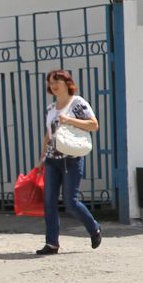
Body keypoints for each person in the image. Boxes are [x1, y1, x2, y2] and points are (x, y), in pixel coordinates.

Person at [38, 69, 102, 255]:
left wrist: (69, 120)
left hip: (71, 160)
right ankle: (52, 243)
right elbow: (48, 135)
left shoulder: (77, 103)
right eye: (51, 82)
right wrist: (41, 158)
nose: (54, 85)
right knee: (49, 202)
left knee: (70, 201)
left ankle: (94, 227)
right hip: (52, 159)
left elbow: (94, 125)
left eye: (57, 80)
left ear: (67, 82)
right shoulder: (51, 109)